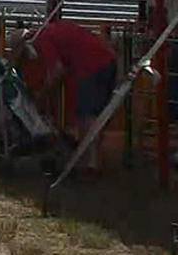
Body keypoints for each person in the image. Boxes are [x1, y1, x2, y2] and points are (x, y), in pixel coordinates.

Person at [28, 20, 117, 171]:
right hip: (107, 60)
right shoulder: (55, 29)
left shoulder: (42, 40)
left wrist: (42, 95)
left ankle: (88, 165)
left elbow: (57, 71)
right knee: (97, 115)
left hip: (89, 66)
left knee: (86, 115)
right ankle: (94, 159)